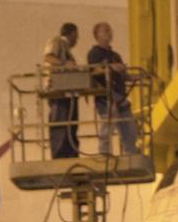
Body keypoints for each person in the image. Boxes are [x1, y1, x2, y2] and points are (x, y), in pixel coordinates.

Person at [86, 21, 139, 155]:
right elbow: (94, 71)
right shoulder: (94, 53)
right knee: (107, 129)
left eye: (110, 30)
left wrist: (134, 77)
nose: (109, 33)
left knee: (129, 129)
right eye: (105, 30)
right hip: (106, 98)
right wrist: (110, 68)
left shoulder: (115, 55)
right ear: (96, 35)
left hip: (121, 98)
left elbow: (123, 74)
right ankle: (105, 155)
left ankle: (131, 154)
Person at [43, 22, 80, 159]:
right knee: (60, 124)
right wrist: (65, 64)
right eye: (76, 36)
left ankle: (70, 153)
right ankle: (60, 154)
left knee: (70, 125)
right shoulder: (56, 41)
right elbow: (48, 57)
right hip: (58, 91)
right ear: (72, 34)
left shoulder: (67, 50)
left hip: (68, 92)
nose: (77, 39)